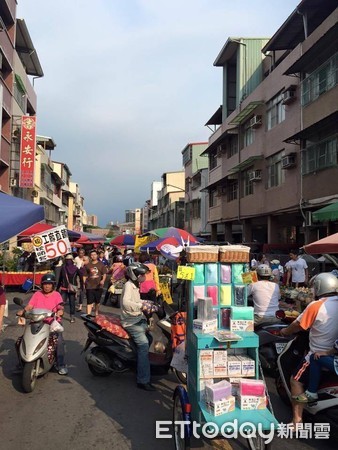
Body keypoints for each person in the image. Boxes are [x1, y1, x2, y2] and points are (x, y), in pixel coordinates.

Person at [280, 272, 338, 427]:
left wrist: (285, 331)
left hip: (318, 354)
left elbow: (298, 325)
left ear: (319, 287)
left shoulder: (317, 305)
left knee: (295, 380)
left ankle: (297, 421)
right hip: (333, 354)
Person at [17, 273, 68, 375]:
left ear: (53, 285)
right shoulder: (37, 294)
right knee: (20, 341)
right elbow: (30, 306)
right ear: (42, 285)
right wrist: (22, 311)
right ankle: (21, 363)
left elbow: (60, 306)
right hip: (36, 321)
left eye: (49, 284)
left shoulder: (57, 295)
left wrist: (60, 311)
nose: (47, 286)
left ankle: (60, 364)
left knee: (59, 341)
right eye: (45, 284)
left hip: (52, 323)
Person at [120, 262, 156, 391]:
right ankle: (143, 380)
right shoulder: (129, 286)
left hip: (138, 318)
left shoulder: (135, 285)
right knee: (144, 345)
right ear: (135, 275)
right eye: (141, 274)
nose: (143, 277)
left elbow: (135, 301)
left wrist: (146, 302)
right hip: (131, 322)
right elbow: (126, 303)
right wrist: (141, 306)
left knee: (150, 339)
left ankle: (138, 364)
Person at [84, 249, 107, 317]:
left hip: (98, 286)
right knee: (89, 301)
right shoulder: (88, 265)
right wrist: (84, 283)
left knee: (97, 301)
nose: (93, 256)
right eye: (92, 255)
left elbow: (104, 274)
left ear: (97, 255)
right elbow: (85, 275)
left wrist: (103, 280)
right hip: (89, 286)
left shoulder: (101, 264)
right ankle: (88, 314)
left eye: (94, 254)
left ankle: (96, 313)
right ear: (90, 256)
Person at [59, 254, 82, 323]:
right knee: (72, 303)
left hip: (64, 287)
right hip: (73, 288)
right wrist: (81, 287)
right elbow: (81, 277)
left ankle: (60, 315)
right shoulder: (76, 268)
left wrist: (57, 287)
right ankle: (72, 317)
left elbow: (60, 278)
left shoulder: (63, 268)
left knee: (62, 303)